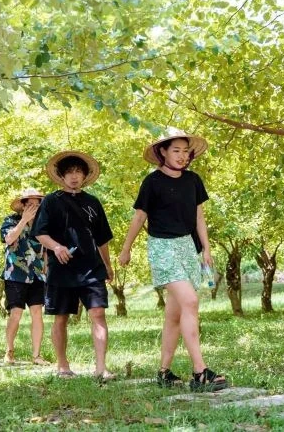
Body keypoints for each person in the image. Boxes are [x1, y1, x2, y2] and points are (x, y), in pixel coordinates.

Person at [119, 129, 227, 392]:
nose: (181, 156)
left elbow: (200, 218)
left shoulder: (193, 180)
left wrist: (207, 250)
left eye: (185, 151)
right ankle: (200, 372)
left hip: (188, 247)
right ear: (163, 153)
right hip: (162, 247)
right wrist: (126, 249)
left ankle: (164, 372)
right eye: (175, 150)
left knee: (175, 313)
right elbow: (139, 217)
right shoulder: (152, 182)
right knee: (190, 300)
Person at [32, 150, 115, 380]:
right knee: (61, 317)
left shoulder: (93, 203)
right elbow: (40, 233)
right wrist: (56, 247)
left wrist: (107, 265)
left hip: (91, 267)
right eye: (69, 172)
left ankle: (101, 368)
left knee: (98, 313)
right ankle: (62, 365)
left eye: (79, 171)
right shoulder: (50, 201)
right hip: (62, 268)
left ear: (85, 175)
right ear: (61, 176)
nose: (74, 176)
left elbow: (102, 238)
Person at [0, 188, 49, 365]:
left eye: (37, 205)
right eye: (29, 205)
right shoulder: (10, 220)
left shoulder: (43, 223)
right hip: (15, 274)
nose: (33, 208)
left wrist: (46, 268)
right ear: (22, 205)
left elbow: (45, 248)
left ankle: (36, 355)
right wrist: (24, 221)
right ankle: (9, 351)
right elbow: (8, 239)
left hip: (36, 274)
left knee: (37, 312)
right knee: (16, 313)